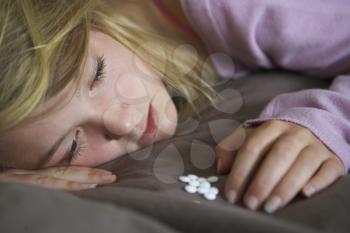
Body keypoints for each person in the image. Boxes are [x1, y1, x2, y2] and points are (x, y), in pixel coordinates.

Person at [0, 0, 349, 215]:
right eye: (73, 146)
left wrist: (329, 119)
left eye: (98, 73)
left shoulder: (246, 9)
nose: (121, 122)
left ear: (93, 19)